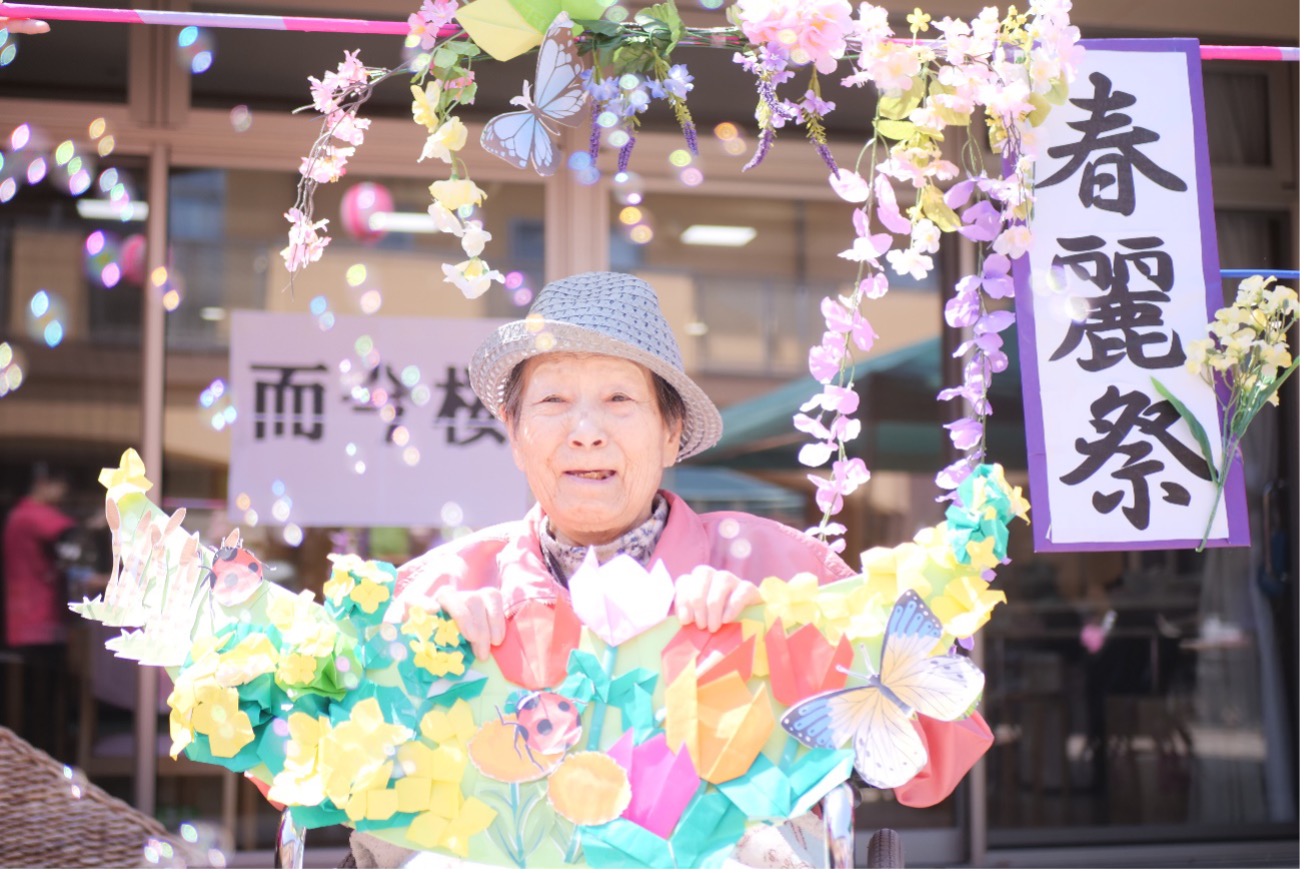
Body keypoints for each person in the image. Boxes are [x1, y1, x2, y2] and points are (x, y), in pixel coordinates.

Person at [346, 272, 992, 867]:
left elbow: (943, 750)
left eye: (618, 398)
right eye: (553, 400)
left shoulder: (782, 569)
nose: (585, 430)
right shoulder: (443, 587)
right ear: (514, 433)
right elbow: (325, 771)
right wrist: (410, 667)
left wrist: (789, 643)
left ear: (671, 431)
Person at [1, 461, 76, 756]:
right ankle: (42, 760)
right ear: (44, 484)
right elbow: (71, 536)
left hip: (25, 623)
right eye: (60, 487)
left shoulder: (18, 516)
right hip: (40, 623)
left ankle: (30, 759)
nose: (63, 494)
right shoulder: (34, 516)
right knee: (45, 705)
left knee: (31, 706)